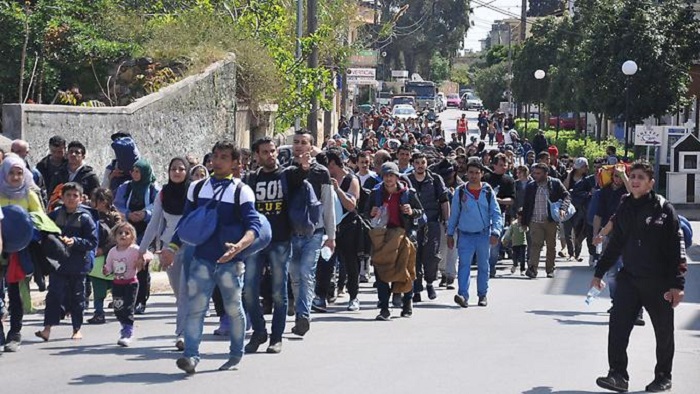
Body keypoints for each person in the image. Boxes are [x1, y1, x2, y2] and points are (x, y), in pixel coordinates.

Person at [162, 140, 263, 374]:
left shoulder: (242, 191)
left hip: (230, 263)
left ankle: (235, 354)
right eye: (215, 156)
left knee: (233, 309)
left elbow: (254, 226)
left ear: (236, 163)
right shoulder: (197, 188)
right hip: (201, 260)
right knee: (195, 308)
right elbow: (185, 223)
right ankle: (191, 356)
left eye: (224, 157)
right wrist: (172, 248)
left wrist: (238, 247)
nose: (217, 161)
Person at [591, 162, 686, 393]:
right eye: (632, 176)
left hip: (659, 281)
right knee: (617, 328)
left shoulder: (664, 208)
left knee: (663, 332)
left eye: (641, 177)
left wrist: (677, 285)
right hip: (629, 279)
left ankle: (663, 376)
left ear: (651, 183)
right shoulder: (625, 206)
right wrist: (599, 272)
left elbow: (677, 248)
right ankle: (617, 375)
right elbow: (616, 244)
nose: (635, 180)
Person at [243, 138, 293, 354]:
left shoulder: (286, 175)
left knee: (279, 292)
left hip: (281, 239)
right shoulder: (251, 179)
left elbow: (307, 175)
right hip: (255, 241)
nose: (270, 155)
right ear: (257, 155)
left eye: (273, 151)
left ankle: (277, 337)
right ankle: (259, 331)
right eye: (265, 152)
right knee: (249, 291)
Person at [284, 130, 336, 336]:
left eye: (303, 142)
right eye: (296, 142)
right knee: (295, 276)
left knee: (306, 273)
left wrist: (331, 236)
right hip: (290, 233)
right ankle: (299, 312)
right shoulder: (286, 171)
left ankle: (304, 315)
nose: (299, 146)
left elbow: (328, 205)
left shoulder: (321, 172)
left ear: (311, 147)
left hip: (314, 233)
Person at [35, 182, 98, 342]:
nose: (71, 198)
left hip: (78, 265)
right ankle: (47, 329)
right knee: (53, 296)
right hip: (58, 264)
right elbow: (44, 231)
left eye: (75, 196)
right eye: (68, 195)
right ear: (62, 197)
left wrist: (75, 242)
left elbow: (92, 242)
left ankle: (76, 329)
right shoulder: (55, 215)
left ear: (82, 199)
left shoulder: (85, 218)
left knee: (77, 297)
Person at [138, 157, 190, 347]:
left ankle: (182, 334)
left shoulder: (193, 193)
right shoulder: (163, 194)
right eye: (173, 169)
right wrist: (141, 250)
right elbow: (153, 224)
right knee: (179, 292)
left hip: (191, 247)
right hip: (169, 249)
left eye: (181, 169)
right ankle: (187, 327)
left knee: (185, 292)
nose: (177, 172)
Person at [366, 162, 424, 320]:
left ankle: (407, 303)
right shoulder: (376, 193)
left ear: (397, 177)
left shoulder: (408, 193)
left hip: (403, 235)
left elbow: (421, 213)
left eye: (391, 175)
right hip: (382, 237)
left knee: (405, 270)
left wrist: (412, 211)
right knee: (381, 271)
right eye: (385, 175)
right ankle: (384, 308)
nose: (388, 179)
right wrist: (371, 213)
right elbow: (365, 213)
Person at [0, 154, 43, 352]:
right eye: (11, 173)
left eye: (19, 173)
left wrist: (25, 224)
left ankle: (14, 333)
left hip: (18, 251)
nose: (16, 177)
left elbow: (41, 220)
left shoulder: (29, 195)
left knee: (15, 294)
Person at [447, 161, 502, 308]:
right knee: (464, 265)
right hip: (465, 235)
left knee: (483, 265)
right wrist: (450, 233)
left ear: (482, 174)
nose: (473, 176)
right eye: (470, 172)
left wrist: (496, 232)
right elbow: (454, 215)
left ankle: (482, 294)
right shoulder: (460, 192)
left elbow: (496, 213)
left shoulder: (488, 191)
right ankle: (463, 295)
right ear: (466, 174)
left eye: (477, 173)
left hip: (484, 234)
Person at [115, 159, 158, 314]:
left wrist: (145, 213)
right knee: (126, 264)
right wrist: (128, 214)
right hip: (127, 231)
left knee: (142, 265)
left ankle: (141, 300)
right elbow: (117, 204)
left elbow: (157, 206)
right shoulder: (125, 187)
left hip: (146, 231)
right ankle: (127, 299)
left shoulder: (153, 189)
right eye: (133, 171)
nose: (134, 174)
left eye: (138, 171)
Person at [407, 152, 449, 301]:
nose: (420, 165)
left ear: (426, 163)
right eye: (417, 162)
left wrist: (447, 221)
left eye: (422, 162)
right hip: (413, 224)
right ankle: (416, 289)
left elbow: (444, 200)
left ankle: (430, 283)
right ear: (413, 164)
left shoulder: (435, 179)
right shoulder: (407, 180)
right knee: (414, 257)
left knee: (431, 256)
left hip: (432, 223)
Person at [521, 163, 570, 279]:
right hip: (535, 220)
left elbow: (567, 196)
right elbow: (526, 204)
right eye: (534, 173)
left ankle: (550, 269)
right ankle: (532, 269)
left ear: (546, 174)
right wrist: (524, 222)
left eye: (538, 173)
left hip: (550, 220)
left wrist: (563, 208)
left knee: (551, 246)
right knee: (535, 245)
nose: (535, 175)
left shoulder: (555, 183)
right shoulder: (531, 186)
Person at [86, 188, 122, 325]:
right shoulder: (90, 215)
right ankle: (99, 313)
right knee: (98, 288)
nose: (98, 204)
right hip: (96, 259)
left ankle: (121, 311)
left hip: (113, 257)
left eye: (101, 200)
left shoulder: (114, 217)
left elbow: (118, 236)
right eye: (96, 200)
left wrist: (104, 249)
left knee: (117, 287)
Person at [103, 222, 142, 347]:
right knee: (118, 309)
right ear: (115, 236)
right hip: (117, 283)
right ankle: (124, 325)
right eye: (120, 233)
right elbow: (109, 265)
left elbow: (147, 254)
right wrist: (106, 270)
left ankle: (127, 332)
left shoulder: (134, 249)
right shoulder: (112, 251)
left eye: (127, 233)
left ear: (132, 236)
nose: (123, 235)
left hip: (131, 283)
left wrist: (142, 259)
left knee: (128, 308)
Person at [483, 153, 515, 278]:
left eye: (505, 165)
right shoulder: (486, 178)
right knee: (483, 241)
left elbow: (512, 200)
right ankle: (484, 265)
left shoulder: (509, 180)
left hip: (499, 214)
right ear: (494, 165)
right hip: (484, 213)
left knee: (495, 242)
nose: (504, 167)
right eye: (501, 165)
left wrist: (498, 200)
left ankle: (491, 266)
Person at [563, 157, 596, 262]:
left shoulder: (588, 179)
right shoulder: (569, 176)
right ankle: (570, 253)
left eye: (586, 166)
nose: (586, 168)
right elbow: (564, 188)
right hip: (568, 206)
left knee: (580, 231)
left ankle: (577, 254)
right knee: (568, 230)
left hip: (582, 208)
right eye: (583, 167)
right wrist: (568, 175)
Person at [503, 210, 527, 275]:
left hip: (523, 242)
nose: (520, 217)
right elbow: (509, 232)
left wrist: (522, 225)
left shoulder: (524, 223)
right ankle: (515, 265)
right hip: (515, 243)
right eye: (519, 215)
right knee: (515, 256)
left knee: (522, 257)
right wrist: (506, 239)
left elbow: (526, 229)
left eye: (522, 216)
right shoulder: (513, 223)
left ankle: (522, 270)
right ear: (517, 215)